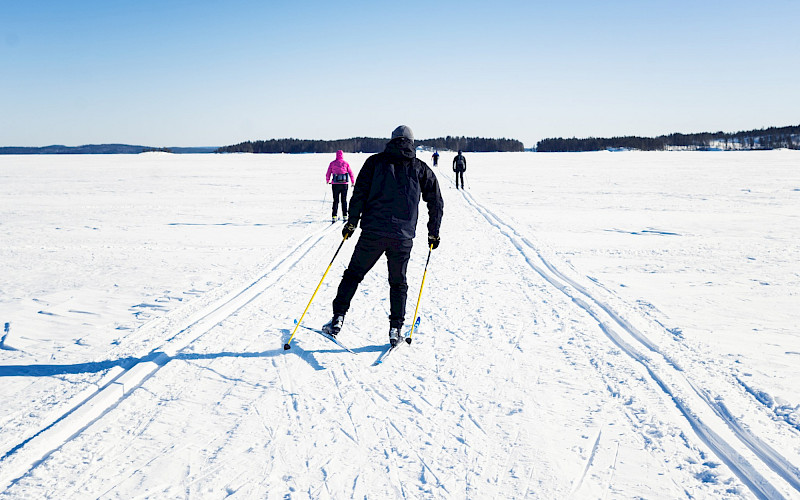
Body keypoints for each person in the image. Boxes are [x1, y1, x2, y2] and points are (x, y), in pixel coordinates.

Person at [322, 125, 444, 346]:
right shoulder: (420, 168)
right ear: (411, 142)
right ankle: (396, 328)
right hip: (402, 237)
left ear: (392, 140)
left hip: (373, 233)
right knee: (398, 283)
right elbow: (435, 201)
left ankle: (338, 317)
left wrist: (352, 222)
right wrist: (433, 233)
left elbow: (359, 193)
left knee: (353, 275)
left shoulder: (374, 162)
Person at [325, 150, 355, 222]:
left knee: (335, 200)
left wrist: (327, 180)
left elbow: (328, 173)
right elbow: (351, 173)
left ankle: (334, 216)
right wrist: (352, 182)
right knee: (344, 200)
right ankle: (345, 216)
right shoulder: (345, 163)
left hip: (335, 185)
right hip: (344, 185)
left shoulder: (332, 163)